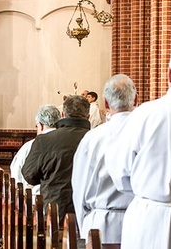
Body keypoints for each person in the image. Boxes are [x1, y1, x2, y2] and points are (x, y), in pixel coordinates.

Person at [105, 43, 171, 248]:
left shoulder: (145, 114)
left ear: (169, 75)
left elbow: (120, 172)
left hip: (152, 222)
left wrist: (149, 190)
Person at [72, 74, 136, 243]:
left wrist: (83, 224)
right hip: (140, 224)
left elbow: (79, 189)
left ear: (106, 103)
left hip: (100, 227)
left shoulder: (93, 138)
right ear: (135, 100)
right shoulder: (148, 133)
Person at [22, 95, 90, 226]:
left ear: (63, 114)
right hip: (88, 213)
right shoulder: (98, 139)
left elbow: (29, 175)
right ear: (88, 116)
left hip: (56, 211)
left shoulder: (45, 140)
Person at [10, 104, 61, 203]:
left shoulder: (30, 146)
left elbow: (17, 175)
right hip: (64, 200)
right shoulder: (67, 144)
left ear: (40, 125)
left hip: (36, 200)